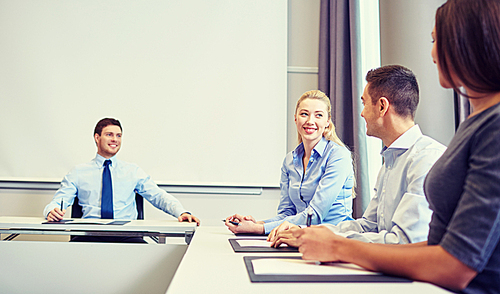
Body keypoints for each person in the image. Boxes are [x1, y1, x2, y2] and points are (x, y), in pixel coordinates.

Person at [272, 0, 500, 292]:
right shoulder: (476, 122)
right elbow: (429, 244)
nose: (432, 53)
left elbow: (455, 265)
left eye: (435, 40)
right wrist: (316, 237)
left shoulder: (491, 128)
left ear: (464, 43)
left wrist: (339, 247)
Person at [269, 65, 446, 245]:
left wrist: (329, 241)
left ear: (382, 106)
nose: (361, 113)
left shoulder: (426, 159)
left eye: (364, 103)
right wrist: (307, 232)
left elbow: (404, 242)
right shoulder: (391, 161)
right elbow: (368, 226)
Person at [44, 118, 200, 243]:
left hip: (127, 235)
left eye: (118, 135)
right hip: (89, 236)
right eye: (109, 134)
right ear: (97, 138)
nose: (115, 139)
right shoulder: (78, 172)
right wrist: (52, 211)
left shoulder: (133, 171)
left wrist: (181, 211)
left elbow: (158, 196)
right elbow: (59, 200)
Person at [225, 90, 354, 235]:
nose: (310, 121)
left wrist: (259, 229)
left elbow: (315, 215)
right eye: (304, 114)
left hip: (335, 239)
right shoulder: (289, 161)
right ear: (295, 118)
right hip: (299, 237)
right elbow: (286, 214)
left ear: (327, 121)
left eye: (318, 115)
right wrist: (255, 223)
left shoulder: (338, 156)